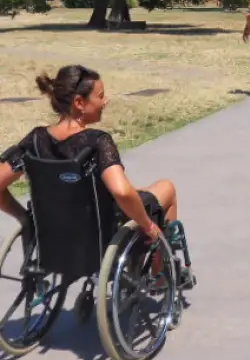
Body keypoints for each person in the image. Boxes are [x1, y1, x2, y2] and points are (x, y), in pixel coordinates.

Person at [0, 65, 178, 249]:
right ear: (79, 103)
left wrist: (23, 216)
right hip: (99, 233)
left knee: (137, 193)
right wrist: (148, 226)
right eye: (100, 96)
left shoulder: (35, 141)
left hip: (54, 235)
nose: (105, 101)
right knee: (167, 188)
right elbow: (122, 192)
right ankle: (162, 272)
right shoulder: (97, 142)